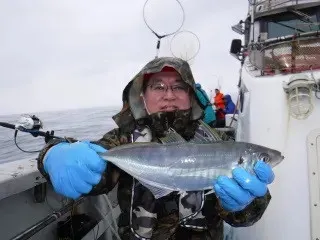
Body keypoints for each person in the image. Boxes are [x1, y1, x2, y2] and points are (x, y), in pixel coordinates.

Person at [37, 57, 275, 240]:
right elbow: (94, 164)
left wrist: (249, 203)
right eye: (158, 86)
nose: (169, 95)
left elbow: (244, 218)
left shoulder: (213, 139)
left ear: (191, 96)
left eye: (179, 87)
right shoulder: (124, 139)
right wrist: (52, 154)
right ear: (142, 95)